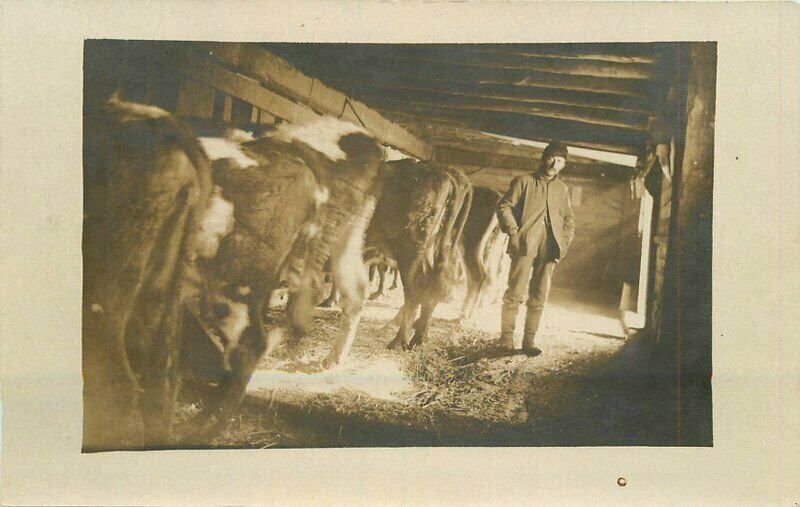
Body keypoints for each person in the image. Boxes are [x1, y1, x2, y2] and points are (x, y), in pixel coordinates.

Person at [495, 141, 575, 356]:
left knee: (539, 296)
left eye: (560, 161)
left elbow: (568, 219)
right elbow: (504, 206)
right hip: (525, 244)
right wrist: (513, 231)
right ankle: (506, 339)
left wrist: (563, 243)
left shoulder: (562, 189)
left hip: (549, 248)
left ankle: (529, 341)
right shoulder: (524, 182)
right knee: (515, 293)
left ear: (564, 164)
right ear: (543, 158)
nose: (554, 164)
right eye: (551, 158)